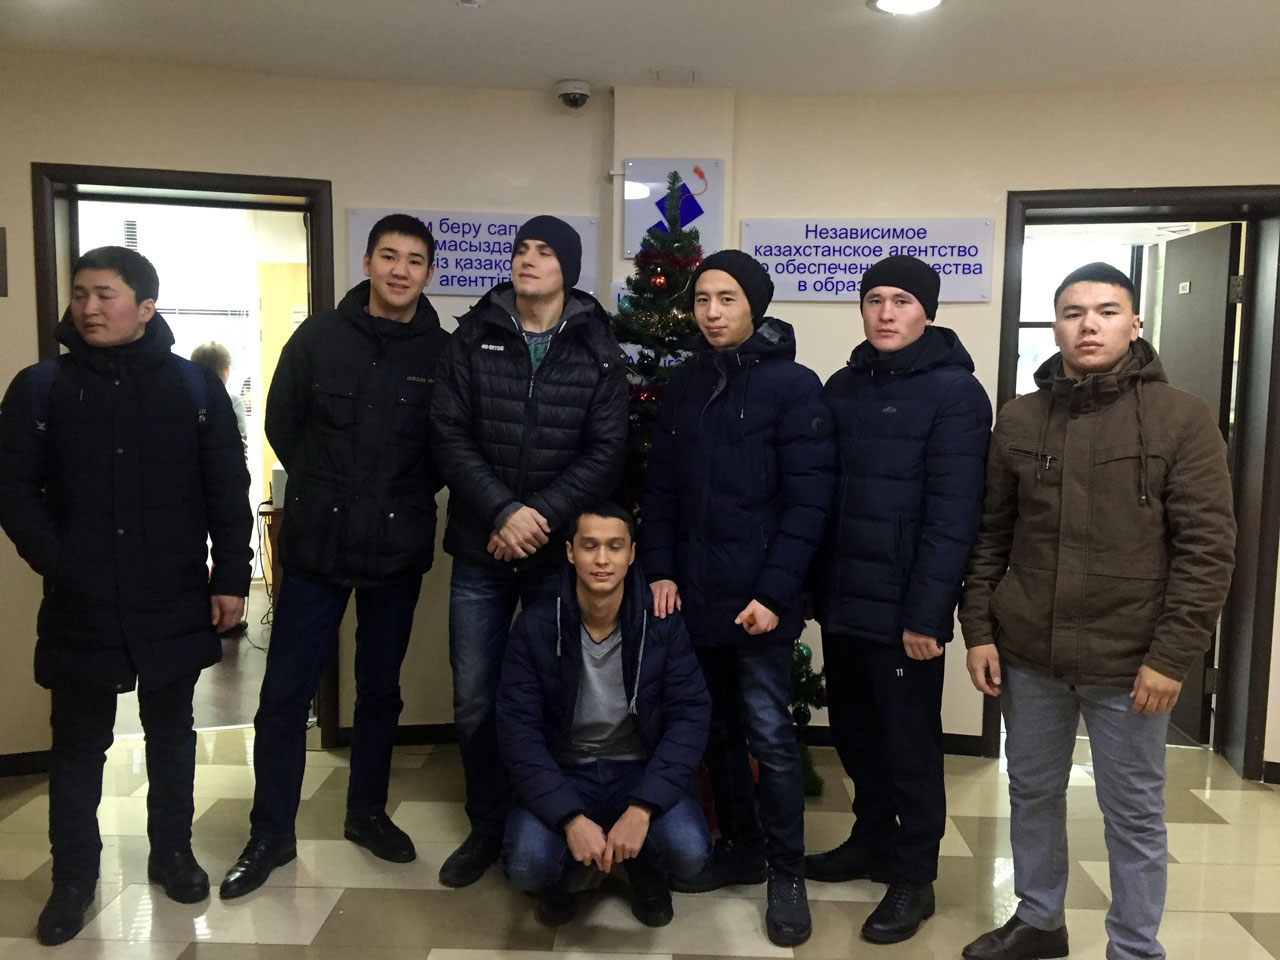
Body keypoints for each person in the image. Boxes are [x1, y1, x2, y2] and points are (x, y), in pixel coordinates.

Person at [959, 262, 1236, 960]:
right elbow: (991, 536)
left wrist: (1172, 657)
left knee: (1133, 813)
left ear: (1135, 323)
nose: (1089, 325)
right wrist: (979, 631)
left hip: (1130, 663)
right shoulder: (1020, 419)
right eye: (1073, 312)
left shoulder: (1182, 418)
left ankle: (1134, 947)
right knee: (1032, 792)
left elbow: (1207, 551)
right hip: (1030, 654)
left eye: (1107, 311)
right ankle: (1039, 920)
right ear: (1055, 325)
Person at [0, 246, 251, 945]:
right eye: (80, 293)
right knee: (78, 747)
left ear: (145, 307)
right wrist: (61, 560)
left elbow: (227, 489)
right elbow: (13, 490)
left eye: (104, 295)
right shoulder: (41, 387)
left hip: (171, 591)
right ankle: (73, 878)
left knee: (172, 735)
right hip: (81, 597)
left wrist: (232, 577)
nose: (88, 307)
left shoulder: (192, 388)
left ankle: (173, 853)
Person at [219, 214, 450, 899]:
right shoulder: (319, 338)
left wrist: (392, 497)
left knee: (380, 690)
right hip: (318, 545)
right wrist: (331, 489)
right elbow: (282, 423)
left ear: (428, 272)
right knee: (284, 695)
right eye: (389, 256)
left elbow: (448, 448)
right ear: (368, 262)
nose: (401, 270)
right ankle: (270, 833)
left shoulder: (443, 353)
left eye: (415, 260)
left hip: (396, 546)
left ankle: (366, 813)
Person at [641, 249, 835, 947]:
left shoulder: (793, 386)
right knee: (715, 730)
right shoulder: (686, 383)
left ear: (754, 304)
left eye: (726, 299)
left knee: (769, 737)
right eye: (702, 300)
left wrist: (775, 594)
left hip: (758, 604)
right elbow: (661, 487)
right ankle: (742, 847)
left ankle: (787, 873)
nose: (712, 312)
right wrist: (660, 571)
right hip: (694, 597)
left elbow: (808, 504)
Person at [430, 215, 629, 888]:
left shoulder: (598, 347)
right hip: (481, 547)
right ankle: (487, 824)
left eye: (544, 252)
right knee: (475, 697)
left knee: (556, 694)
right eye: (521, 249)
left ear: (567, 268)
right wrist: (503, 511)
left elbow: (606, 452)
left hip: (554, 554)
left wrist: (537, 517)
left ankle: (545, 818)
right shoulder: (473, 335)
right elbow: (447, 432)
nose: (527, 260)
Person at [806, 255, 991, 943]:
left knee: (909, 748)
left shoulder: (956, 394)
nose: (886, 312)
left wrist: (926, 615)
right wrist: (812, 587)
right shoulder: (842, 386)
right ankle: (870, 841)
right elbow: (820, 497)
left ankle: (914, 875)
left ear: (928, 312)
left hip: (904, 614)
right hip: (843, 602)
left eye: (903, 301)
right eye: (875, 299)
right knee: (855, 735)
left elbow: (953, 517)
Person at [496, 503, 711, 928]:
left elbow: (691, 716)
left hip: (639, 769)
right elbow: (518, 731)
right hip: (566, 770)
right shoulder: (536, 625)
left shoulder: (662, 623)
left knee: (690, 853)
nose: (601, 559)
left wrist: (642, 808)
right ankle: (565, 874)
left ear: (631, 554)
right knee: (525, 866)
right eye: (589, 545)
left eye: (614, 547)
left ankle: (644, 869)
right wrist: (569, 818)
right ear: (570, 552)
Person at [191, 340, 251, 636]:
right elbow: (240, 441)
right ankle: (225, 612)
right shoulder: (230, 399)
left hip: (194, 488)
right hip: (228, 478)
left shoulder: (186, 392)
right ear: (225, 369)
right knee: (226, 539)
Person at [190, 341, 249, 463]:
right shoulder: (233, 402)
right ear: (225, 371)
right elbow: (240, 447)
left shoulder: (184, 401)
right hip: (225, 468)